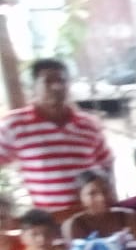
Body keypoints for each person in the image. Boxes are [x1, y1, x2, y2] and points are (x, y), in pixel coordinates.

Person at [0, 58, 113, 217]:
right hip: (50, 222)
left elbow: (106, 165)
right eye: (48, 81)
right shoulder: (14, 125)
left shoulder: (89, 124)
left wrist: (111, 201)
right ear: (34, 87)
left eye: (61, 81)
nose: (56, 87)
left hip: (91, 218)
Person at [62, 170, 136, 242]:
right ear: (80, 197)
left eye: (105, 191)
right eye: (92, 193)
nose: (102, 198)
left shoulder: (128, 217)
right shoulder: (74, 226)